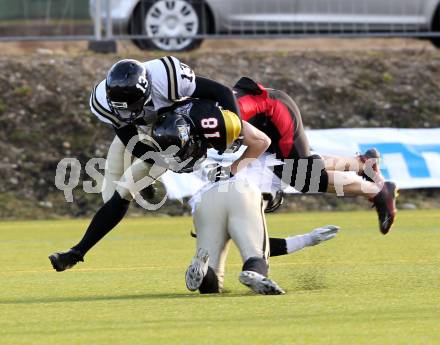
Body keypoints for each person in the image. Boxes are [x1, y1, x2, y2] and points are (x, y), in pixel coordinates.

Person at [48, 58, 270, 272]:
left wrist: (233, 139)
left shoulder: (169, 79)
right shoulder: (107, 104)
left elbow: (222, 94)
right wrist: (162, 162)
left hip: (176, 130)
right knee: (112, 197)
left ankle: (76, 252)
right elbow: (131, 142)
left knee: (124, 190)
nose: (126, 112)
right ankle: (77, 252)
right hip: (142, 133)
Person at [231, 77, 398, 235]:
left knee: (301, 176)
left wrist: (233, 169)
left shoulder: (219, 121)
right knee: (300, 168)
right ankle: (363, 164)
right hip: (265, 112)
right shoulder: (212, 115)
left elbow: (260, 143)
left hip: (275, 111)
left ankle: (377, 191)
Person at [184, 156, 339, 295]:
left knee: (211, 281)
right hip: (243, 192)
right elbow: (261, 245)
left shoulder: (230, 154)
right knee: (256, 255)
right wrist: (308, 239)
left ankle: (203, 269)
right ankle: (253, 273)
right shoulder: (274, 168)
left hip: (203, 198)